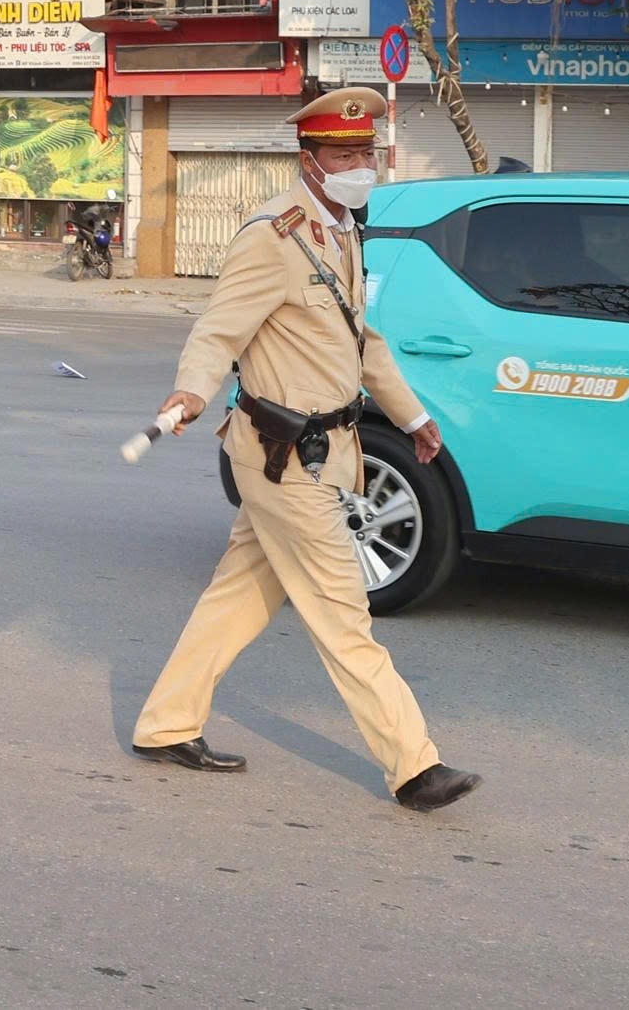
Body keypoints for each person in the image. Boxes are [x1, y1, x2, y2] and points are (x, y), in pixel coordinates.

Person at [130, 87, 481, 814]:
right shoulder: (273, 235)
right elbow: (219, 329)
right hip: (283, 458)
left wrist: (412, 415)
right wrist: (191, 391)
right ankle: (415, 766)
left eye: (365, 152)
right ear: (310, 161)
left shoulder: (341, 230)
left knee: (240, 594)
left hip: (321, 448)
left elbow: (361, 339)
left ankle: (165, 722)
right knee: (342, 611)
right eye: (344, 154)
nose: (360, 165)